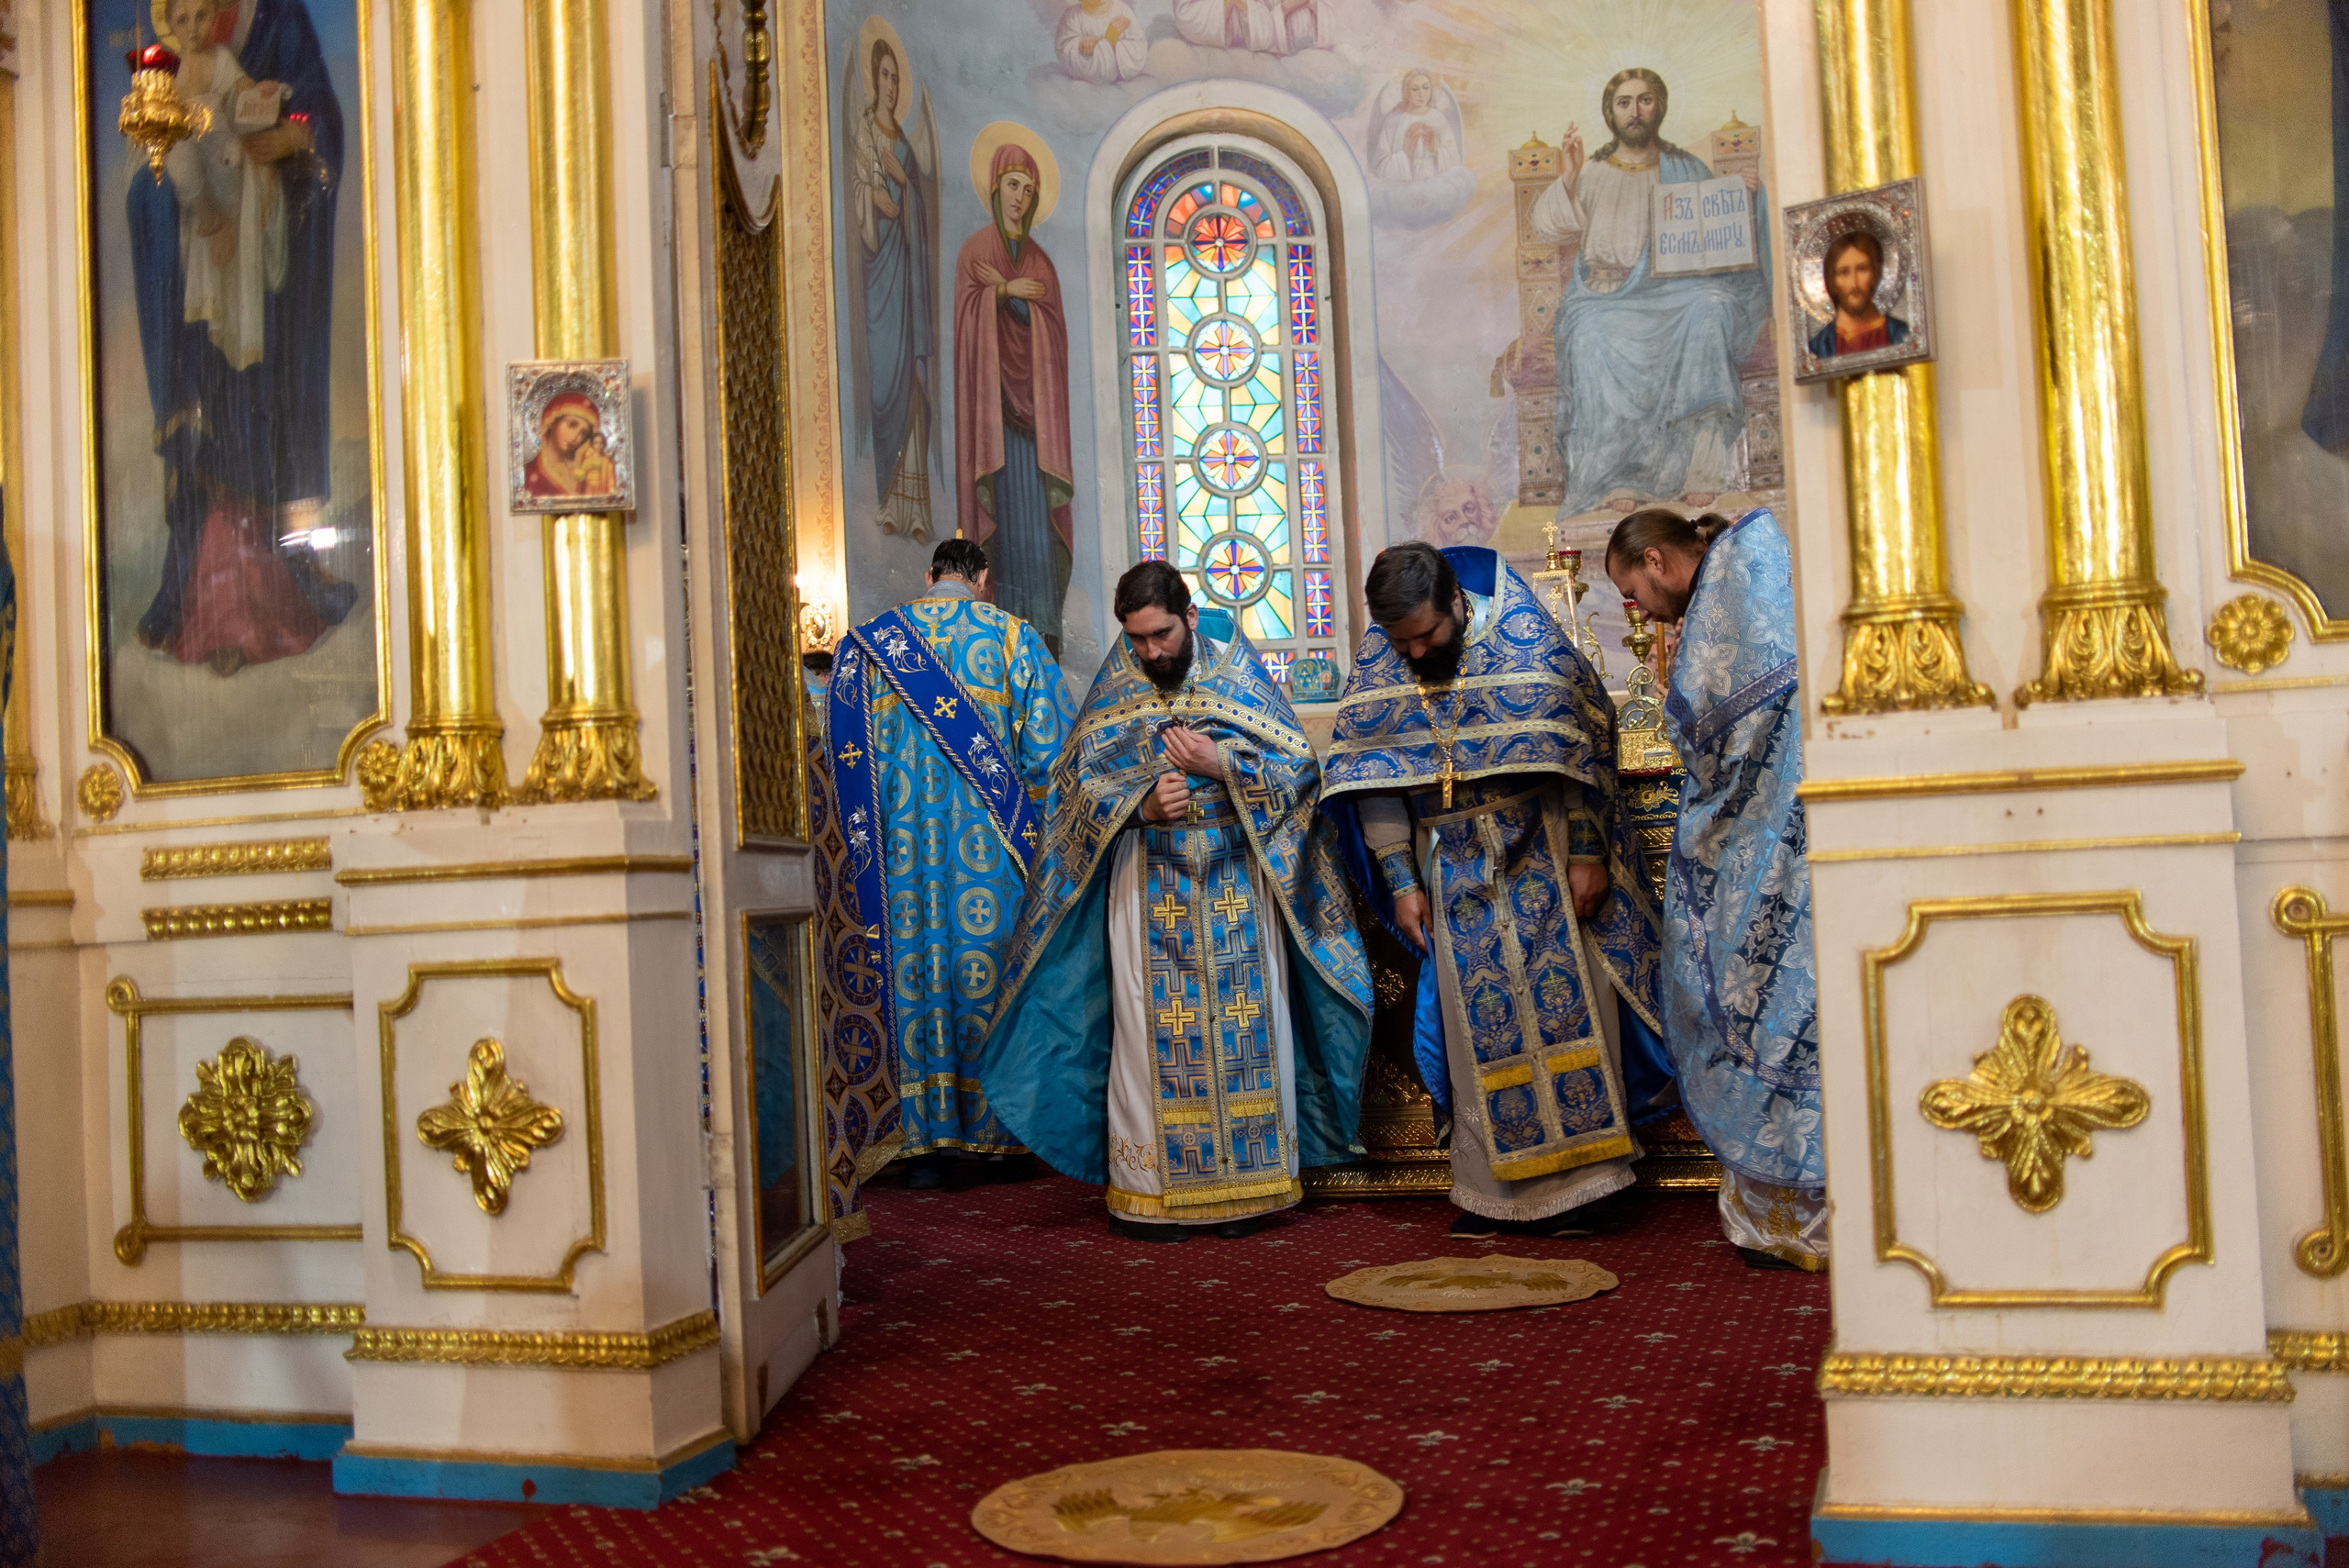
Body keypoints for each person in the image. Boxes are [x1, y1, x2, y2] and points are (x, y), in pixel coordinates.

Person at [981, 562, 1371, 1240]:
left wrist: (1223, 767)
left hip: (1237, 890)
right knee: (1148, 1033)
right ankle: (1151, 1190)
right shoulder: (1115, 688)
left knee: (1249, 1027)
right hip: (1148, 893)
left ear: (1190, 616)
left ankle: (1250, 1186)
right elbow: (1072, 794)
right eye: (1136, 640)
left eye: (1160, 634)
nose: (1150, 652)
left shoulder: (1238, 676)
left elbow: (1300, 775)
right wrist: (1138, 805)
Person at [1323, 542, 1669, 1239]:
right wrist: (1399, 880)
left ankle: (1591, 1185)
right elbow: (1373, 782)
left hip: (1542, 851)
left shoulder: (1527, 641)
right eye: (1401, 641)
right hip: (1451, 870)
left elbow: (1587, 748)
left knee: (1570, 1015)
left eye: (1427, 635)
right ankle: (1492, 1194)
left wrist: (1591, 853)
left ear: (1456, 601)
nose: (1415, 653)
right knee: (1475, 1025)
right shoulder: (1383, 658)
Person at [1605, 508, 1824, 1271]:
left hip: (1770, 839)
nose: (1641, 612)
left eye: (1634, 592)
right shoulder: (1753, 566)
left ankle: (1792, 1215)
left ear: (1657, 560)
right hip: (1795, 828)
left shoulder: (1735, 576)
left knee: (1761, 1005)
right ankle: (1801, 1209)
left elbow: (1708, 731)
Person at [828, 538, 1075, 1190]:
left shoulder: (869, 645)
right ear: (983, 579)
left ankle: (913, 1138)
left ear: (928, 576)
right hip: (989, 858)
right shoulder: (1014, 639)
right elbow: (1051, 758)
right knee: (986, 975)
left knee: (908, 979)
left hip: (895, 857)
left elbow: (840, 761)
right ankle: (991, 1136)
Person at [128, 0, 359, 674]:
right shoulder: (175, 65)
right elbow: (153, 176)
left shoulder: (280, 21)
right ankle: (205, 606)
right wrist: (187, 198)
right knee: (209, 423)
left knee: (263, 408)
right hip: (202, 286)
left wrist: (294, 137)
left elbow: (317, 115)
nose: (196, 25)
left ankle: (274, 598)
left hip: (266, 281)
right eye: (184, 17)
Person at [1528, 68, 1771, 515]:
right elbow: (1548, 224)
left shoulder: (1686, 169)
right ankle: (1616, 474)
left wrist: (1744, 194)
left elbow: (1720, 229)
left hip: (1676, 296)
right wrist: (1568, 176)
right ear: (1610, 112)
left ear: (1659, 106)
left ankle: (1702, 470)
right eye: (1624, 102)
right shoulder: (1594, 172)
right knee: (1592, 336)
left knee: (1712, 309)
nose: (1635, 111)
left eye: (1644, 100)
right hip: (1606, 296)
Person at [953, 143, 1074, 652]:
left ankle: (1041, 624)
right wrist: (1000, 294)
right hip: (995, 415)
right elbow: (966, 322)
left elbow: (1054, 335)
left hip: (1036, 421)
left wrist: (1019, 295)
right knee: (1006, 511)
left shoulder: (1042, 262)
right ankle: (1000, 623)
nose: (1020, 198)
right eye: (1012, 185)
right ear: (995, 188)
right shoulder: (976, 251)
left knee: (1035, 526)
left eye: (1029, 189)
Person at [848, 36, 938, 541]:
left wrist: (904, 186)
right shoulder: (864, 131)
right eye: (883, 75)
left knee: (911, 387)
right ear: (872, 80)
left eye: (895, 77)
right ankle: (883, 503)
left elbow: (916, 209)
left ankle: (914, 510)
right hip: (877, 269)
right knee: (885, 377)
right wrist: (875, 197)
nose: (889, 84)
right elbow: (861, 189)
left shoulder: (901, 140)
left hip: (905, 277)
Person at [1808, 230, 1909, 359]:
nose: (1854, 284)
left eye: (1862, 269)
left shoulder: (1900, 336)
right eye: (1844, 272)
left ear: (1875, 274)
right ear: (1832, 281)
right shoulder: (1818, 348)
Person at [522, 393, 617, 499]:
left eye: (583, 433)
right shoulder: (529, 472)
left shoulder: (586, 469)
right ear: (552, 421)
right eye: (572, 425)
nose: (575, 437)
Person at [1054, 0, 1146, 83]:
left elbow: (1139, 47)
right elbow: (1063, 51)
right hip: (1086, 87)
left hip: (1124, 85)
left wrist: (1110, 44)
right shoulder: (1072, 16)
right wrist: (1081, 45)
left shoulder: (1122, 10)